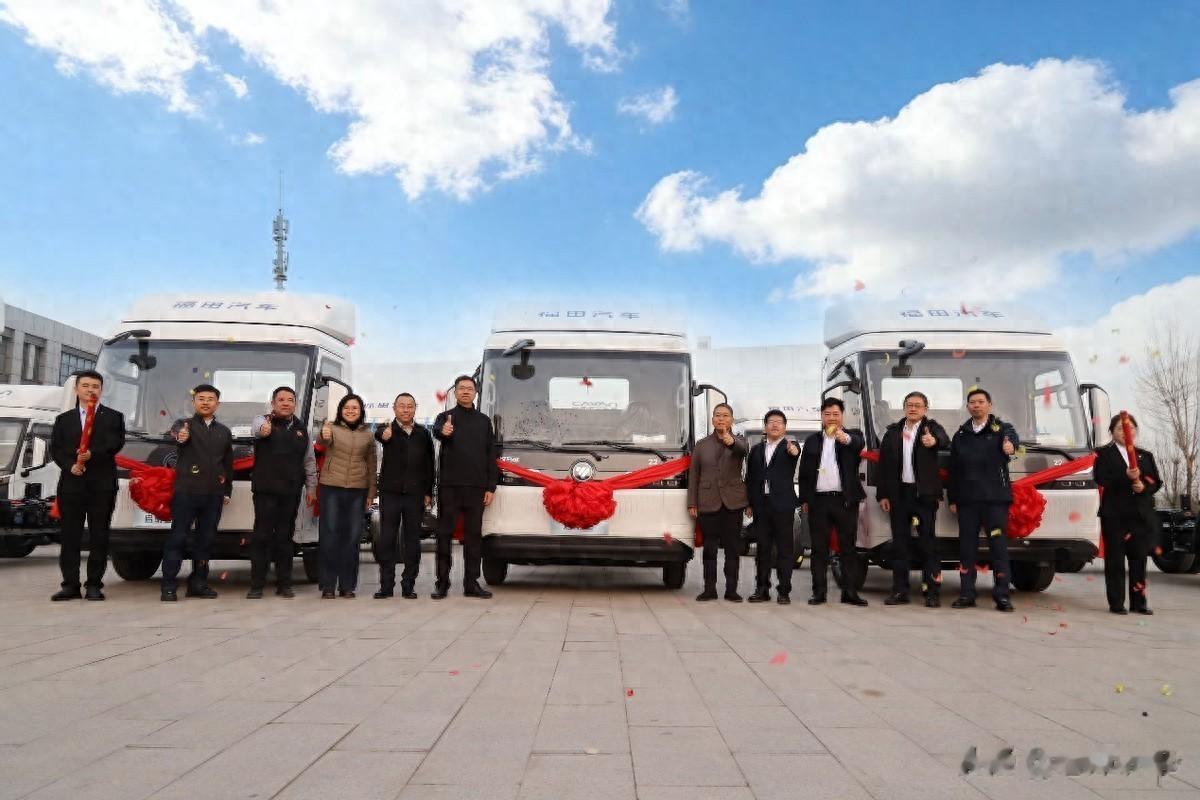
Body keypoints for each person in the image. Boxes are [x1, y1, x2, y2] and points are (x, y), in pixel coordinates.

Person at [49, 370, 125, 601]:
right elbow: (56, 449)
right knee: (70, 536)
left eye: (95, 386)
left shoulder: (113, 417)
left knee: (99, 535)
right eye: (85, 386)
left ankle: (94, 584)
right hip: (72, 485)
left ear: (101, 390)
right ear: (76, 389)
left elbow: (115, 444)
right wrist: (70, 465)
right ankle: (70, 585)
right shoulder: (64, 419)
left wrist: (93, 453)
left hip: (101, 485)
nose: (90, 390)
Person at [876, 391, 951, 607]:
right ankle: (900, 591)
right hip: (899, 496)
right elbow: (883, 466)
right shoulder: (893, 432)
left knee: (928, 545)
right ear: (904, 408)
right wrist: (883, 494)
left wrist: (933, 441)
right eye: (909, 404)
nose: (913, 408)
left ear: (925, 409)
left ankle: (932, 592)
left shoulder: (932, 428)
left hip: (924, 495)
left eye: (918, 405)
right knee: (900, 545)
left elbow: (945, 441)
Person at [947, 388, 1018, 612]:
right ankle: (967, 593)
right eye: (972, 402)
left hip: (994, 501)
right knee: (967, 549)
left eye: (980, 401)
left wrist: (1010, 446)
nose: (976, 405)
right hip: (968, 502)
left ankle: (1002, 595)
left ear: (989, 405)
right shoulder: (960, 435)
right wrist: (953, 499)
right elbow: (953, 470)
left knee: (998, 547)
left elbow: (1013, 442)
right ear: (968, 406)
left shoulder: (1001, 429)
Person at [160, 384, 233, 601]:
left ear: (217, 403)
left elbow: (227, 464)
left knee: (206, 540)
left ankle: (198, 583)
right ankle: (168, 586)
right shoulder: (184, 425)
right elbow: (177, 435)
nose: (205, 402)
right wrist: (181, 436)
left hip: (213, 494)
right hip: (186, 492)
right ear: (194, 402)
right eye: (201, 398)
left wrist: (226, 491)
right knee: (178, 538)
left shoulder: (224, 432)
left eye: (210, 399)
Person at [247, 387, 317, 599]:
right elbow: (257, 429)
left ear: (295, 403)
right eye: (281, 400)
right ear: (273, 403)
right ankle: (257, 585)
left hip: (291, 491)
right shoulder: (263, 421)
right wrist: (263, 429)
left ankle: (284, 584)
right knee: (261, 536)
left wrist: (311, 487)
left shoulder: (302, 429)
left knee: (285, 538)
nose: (286, 403)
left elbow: (309, 460)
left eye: (290, 400)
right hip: (265, 491)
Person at [432, 375, 498, 599]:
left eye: (470, 388)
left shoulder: (484, 421)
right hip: (449, 486)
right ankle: (442, 583)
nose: (466, 392)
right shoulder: (445, 417)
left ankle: (471, 583)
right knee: (444, 535)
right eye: (462, 388)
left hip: (476, 488)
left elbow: (490, 455)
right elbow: (437, 431)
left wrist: (490, 487)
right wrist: (444, 431)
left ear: (476, 392)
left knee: (473, 537)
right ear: (455, 392)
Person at [797, 397, 868, 606]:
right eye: (827, 414)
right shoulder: (812, 441)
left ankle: (849, 592)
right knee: (819, 549)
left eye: (835, 414)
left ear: (842, 416)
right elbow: (804, 472)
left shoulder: (853, 436)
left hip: (845, 501)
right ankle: (819, 592)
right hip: (818, 501)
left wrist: (843, 438)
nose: (831, 418)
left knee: (848, 548)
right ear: (821, 416)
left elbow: (858, 444)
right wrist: (804, 499)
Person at [1093, 414, 1161, 615]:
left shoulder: (1145, 456)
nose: (1126, 432)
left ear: (1136, 431)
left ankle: (1139, 602)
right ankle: (1116, 603)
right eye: (1120, 428)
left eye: (1130, 428)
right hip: (1115, 515)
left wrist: (1144, 487)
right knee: (1115, 559)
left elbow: (1156, 482)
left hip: (1139, 515)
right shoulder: (1103, 454)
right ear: (1112, 432)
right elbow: (1101, 478)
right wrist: (1125, 476)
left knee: (1139, 559)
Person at [374, 392, 434, 599]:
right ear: (394, 408)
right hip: (390, 494)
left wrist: (428, 491)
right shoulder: (387, 430)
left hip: (415, 495)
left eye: (410, 406)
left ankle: (409, 584)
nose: (406, 409)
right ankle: (386, 586)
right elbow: (379, 434)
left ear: (415, 409)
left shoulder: (423, 433)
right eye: (402, 406)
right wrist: (383, 434)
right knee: (387, 539)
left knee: (412, 541)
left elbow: (429, 464)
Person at [316, 393, 377, 599]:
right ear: (341, 410)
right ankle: (328, 585)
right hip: (331, 488)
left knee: (352, 538)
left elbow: (372, 464)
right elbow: (322, 442)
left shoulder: (368, 434)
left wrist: (371, 493)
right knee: (330, 535)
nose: (351, 411)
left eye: (355, 408)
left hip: (358, 490)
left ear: (361, 411)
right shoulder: (331, 429)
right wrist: (323, 433)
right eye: (347, 408)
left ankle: (348, 585)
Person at [688, 403, 749, 602]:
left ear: (732, 420)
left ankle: (731, 590)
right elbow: (694, 475)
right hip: (708, 502)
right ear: (712, 419)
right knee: (709, 549)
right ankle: (709, 589)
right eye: (717, 415)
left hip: (733, 503)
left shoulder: (740, 441)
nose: (721, 419)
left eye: (725, 415)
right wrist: (692, 502)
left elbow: (743, 450)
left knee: (732, 548)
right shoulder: (701, 445)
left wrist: (730, 441)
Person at [744, 409, 800, 604]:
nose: (775, 424)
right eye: (771, 421)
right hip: (761, 506)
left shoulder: (790, 447)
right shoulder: (756, 450)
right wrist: (749, 503)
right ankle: (762, 589)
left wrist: (794, 451)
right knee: (762, 549)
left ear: (785, 427)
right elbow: (750, 478)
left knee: (785, 550)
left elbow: (796, 453)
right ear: (765, 426)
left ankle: (784, 591)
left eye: (779, 422)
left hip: (783, 506)